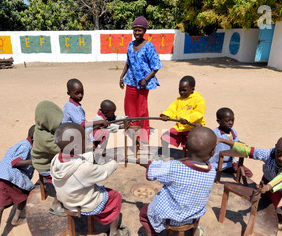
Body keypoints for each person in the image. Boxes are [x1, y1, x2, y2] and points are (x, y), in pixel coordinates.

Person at [139, 127, 217, 236]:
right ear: (212, 152)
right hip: (193, 215)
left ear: (185, 148)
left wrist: (162, 162)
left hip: (170, 217)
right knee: (197, 201)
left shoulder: (173, 166)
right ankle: (194, 234)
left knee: (144, 214)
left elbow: (151, 171)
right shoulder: (212, 171)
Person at [50, 123, 131, 236]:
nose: (88, 140)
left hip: (65, 199)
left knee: (89, 185)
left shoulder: (57, 158)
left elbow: (77, 160)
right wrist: (114, 161)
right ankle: (114, 234)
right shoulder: (83, 169)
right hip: (81, 203)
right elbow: (104, 172)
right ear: (76, 145)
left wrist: (93, 154)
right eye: (85, 139)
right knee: (115, 196)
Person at [217, 135, 282, 231]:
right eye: (278, 153)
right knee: (266, 206)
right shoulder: (269, 154)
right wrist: (223, 140)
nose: (281, 158)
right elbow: (249, 150)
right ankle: (270, 218)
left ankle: (280, 212)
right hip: (270, 180)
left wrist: (267, 187)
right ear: (275, 147)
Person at [0, 125, 36, 236]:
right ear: (33, 138)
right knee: (22, 195)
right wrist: (33, 162)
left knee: (6, 203)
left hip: (0, 174)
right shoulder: (26, 146)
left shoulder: (25, 144)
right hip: (7, 176)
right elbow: (15, 162)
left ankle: (12, 221)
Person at [119, 16, 162, 144]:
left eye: (140, 30)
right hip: (130, 82)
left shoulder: (149, 46)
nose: (137, 33)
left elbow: (156, 66)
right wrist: (122, 76)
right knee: (129, 108)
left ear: (144, 31)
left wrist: (146, 79)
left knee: (142, 110)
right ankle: (134, 134)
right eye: (135, 30)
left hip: (143, 84)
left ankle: (143, 138)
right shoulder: (130, 45)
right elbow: (128, 62)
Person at [31, 100, 64, 215]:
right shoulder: (45, 138)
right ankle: (56, 205)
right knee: (65, 180)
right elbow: (60, 149)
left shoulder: (43, 129)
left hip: (48, 161)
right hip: (44, 166)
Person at [160, 75, 206, 159]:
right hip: (180, 127)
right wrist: (166, 115)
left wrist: (187, 119)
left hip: (193, 128)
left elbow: (198, 113)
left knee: (189, 146)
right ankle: (165, 157)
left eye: (184, 90)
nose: (181, 93)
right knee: (165, 137)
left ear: (192, 89)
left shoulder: (199, 99)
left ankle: (187, 160)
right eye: (180, 90)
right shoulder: (178, 100)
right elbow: (172, 109)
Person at [62, 78, 109, 149]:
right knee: (103, 132)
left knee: (103, 132)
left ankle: (97, 151)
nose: (80, 95)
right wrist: (100, 121)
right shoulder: (71, 107)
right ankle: (94, 150)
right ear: (69, 93)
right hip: (73, 136)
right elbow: (83, 124)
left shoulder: (74, 105)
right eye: (77, 93)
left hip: (79, 132)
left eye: (82, 92)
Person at [209, 107, 253, 178]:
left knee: (248, 173)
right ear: (218, 121)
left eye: (232, 120)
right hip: (219, 164)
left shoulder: (233, 131)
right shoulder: (215, 134)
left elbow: (236, 144)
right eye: (227, 121)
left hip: (231, 162)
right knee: (243, 173)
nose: (231, 123)